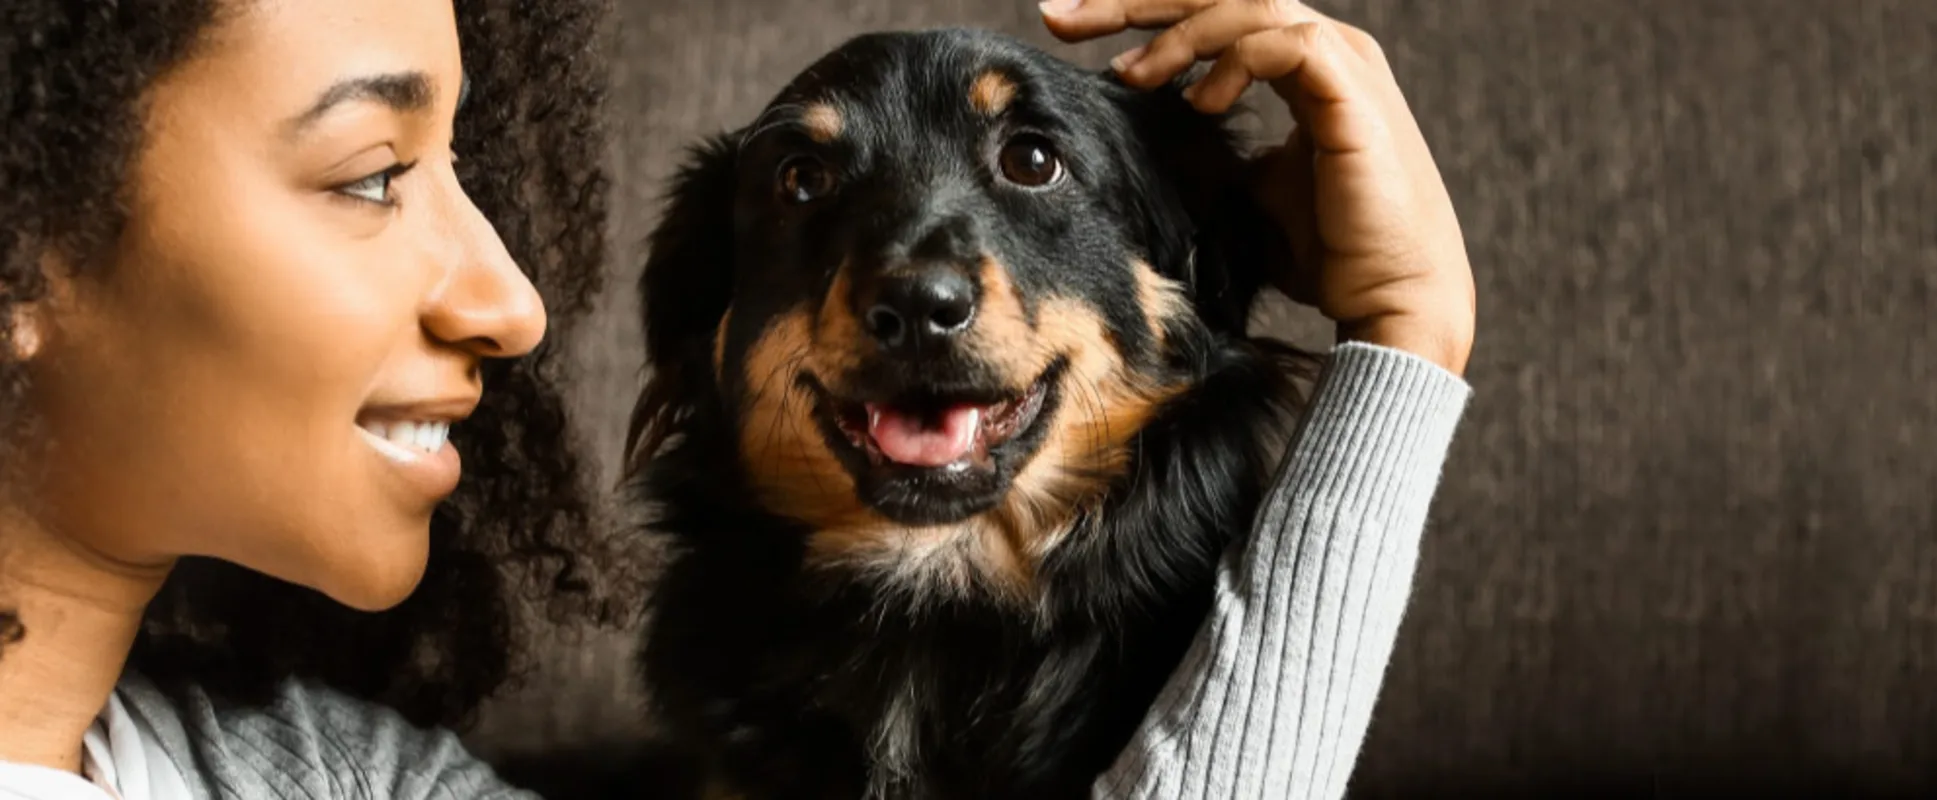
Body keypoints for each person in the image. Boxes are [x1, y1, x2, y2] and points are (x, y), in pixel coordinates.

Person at [0, 0, 1471, 797]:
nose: (513, 305)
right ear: (24, 235)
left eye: (467, 172)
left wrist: (1403, 349)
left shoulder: (345, 781)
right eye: (374, 176)